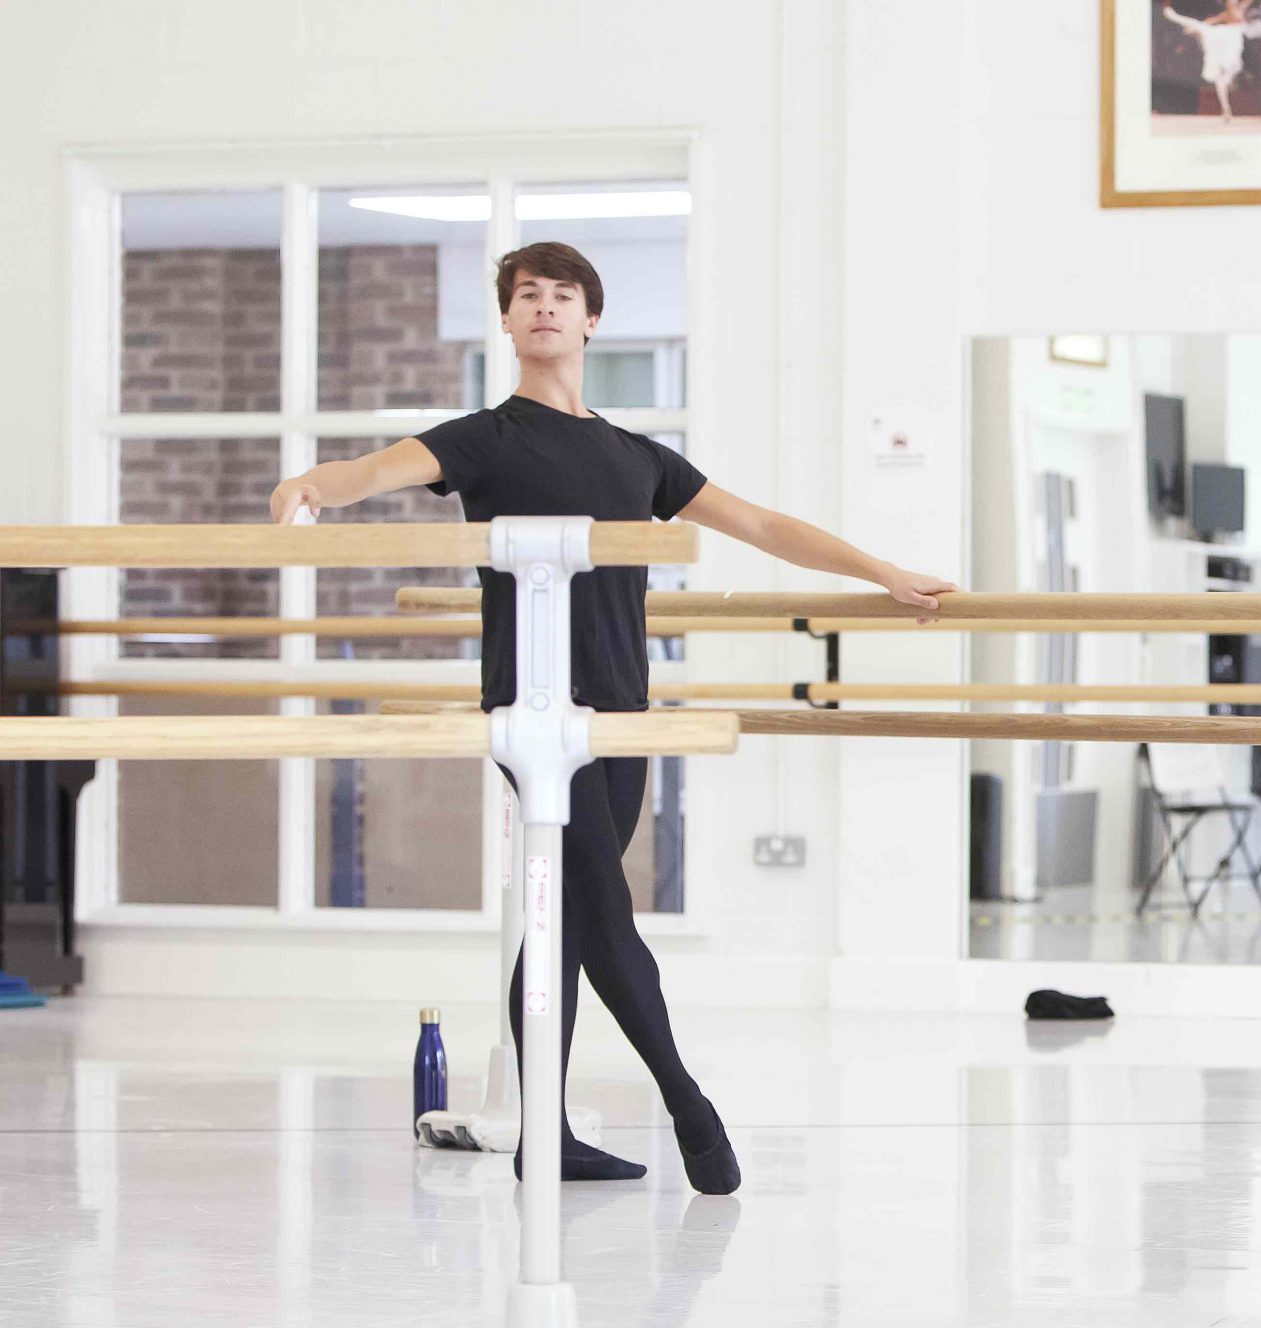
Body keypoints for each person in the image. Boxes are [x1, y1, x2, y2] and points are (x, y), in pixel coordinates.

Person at [267, 241, 957, 1190]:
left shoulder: (638, 457)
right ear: (507, 323)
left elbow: (762, 526)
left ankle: (543, 1137)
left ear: (592, 321)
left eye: (563, 296)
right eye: (526, 296)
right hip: (536, 708)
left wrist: (882, 570)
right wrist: (309, 485)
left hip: (624, 712)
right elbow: (374, 470)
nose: (545, 308)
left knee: (569, 923)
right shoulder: (485, 437)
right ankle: (687, 1104)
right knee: (601, 904)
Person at [1160, 0, 1261, 125]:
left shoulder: (1239, 9)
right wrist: (1198, 26)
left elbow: (1235, 13)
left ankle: (1226, 102)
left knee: (1224, 75)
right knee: (1201, 28)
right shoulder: (1228, 12)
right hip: (1224, 33)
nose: (1229, 5)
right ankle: (1226, 108)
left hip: (1233, 34)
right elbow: (1215, 19)